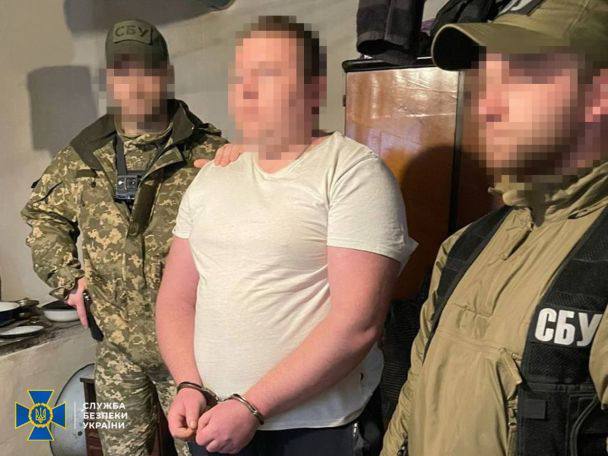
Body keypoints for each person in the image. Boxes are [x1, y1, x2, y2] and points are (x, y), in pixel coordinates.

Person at [155, 15, 417, 456]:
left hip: (313, 430)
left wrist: (252, 406)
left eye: (267, 74)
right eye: (239, 78)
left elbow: (357, 324)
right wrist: (187, 382)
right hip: (213, 418)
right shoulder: (212, 177)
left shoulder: (352, 173)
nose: (247, 90)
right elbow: (176, 298)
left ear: (314, 89)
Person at [381, 0, 608, 455]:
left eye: (520, 77)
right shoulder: (465, 247)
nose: (488, 106)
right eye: (486, 82)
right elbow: (412, 401)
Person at [21, 18, 242, 456]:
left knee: (203, 450)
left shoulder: (209, 153)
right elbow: (44, 217)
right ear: (109, 79)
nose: (134, 85)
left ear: (165, 74)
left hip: (192, 355)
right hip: (116, 352)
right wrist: (69, 280)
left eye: (146, 71)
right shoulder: (84, 155)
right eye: (122, 72)